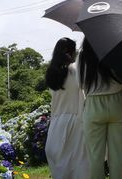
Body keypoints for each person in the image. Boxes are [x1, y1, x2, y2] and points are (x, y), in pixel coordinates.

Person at [79, 38, 122, 179]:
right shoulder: (114, 53)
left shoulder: (82, 57)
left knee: (95, 156)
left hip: (94, 103)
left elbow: (80, 84)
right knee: (118, 155)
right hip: (117, 100)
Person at [44, 37, 89, 179]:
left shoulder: (51, 73)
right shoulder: (75, 70)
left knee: (60, 168)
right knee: (78, 166)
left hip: (56, 123)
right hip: (76, 122)